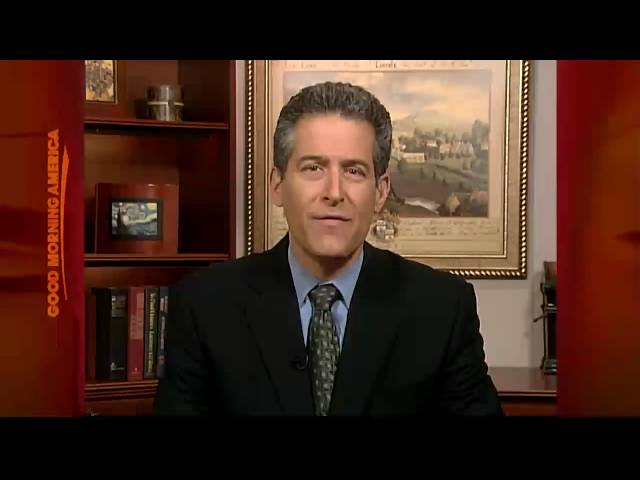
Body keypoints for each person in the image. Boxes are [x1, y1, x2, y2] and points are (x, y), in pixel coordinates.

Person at [154, 81, 503, 416]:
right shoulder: (205, 305)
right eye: (313, 168)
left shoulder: (442, 308)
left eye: (354, 171)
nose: (334, 192)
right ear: (277, 185)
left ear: (380, 192)